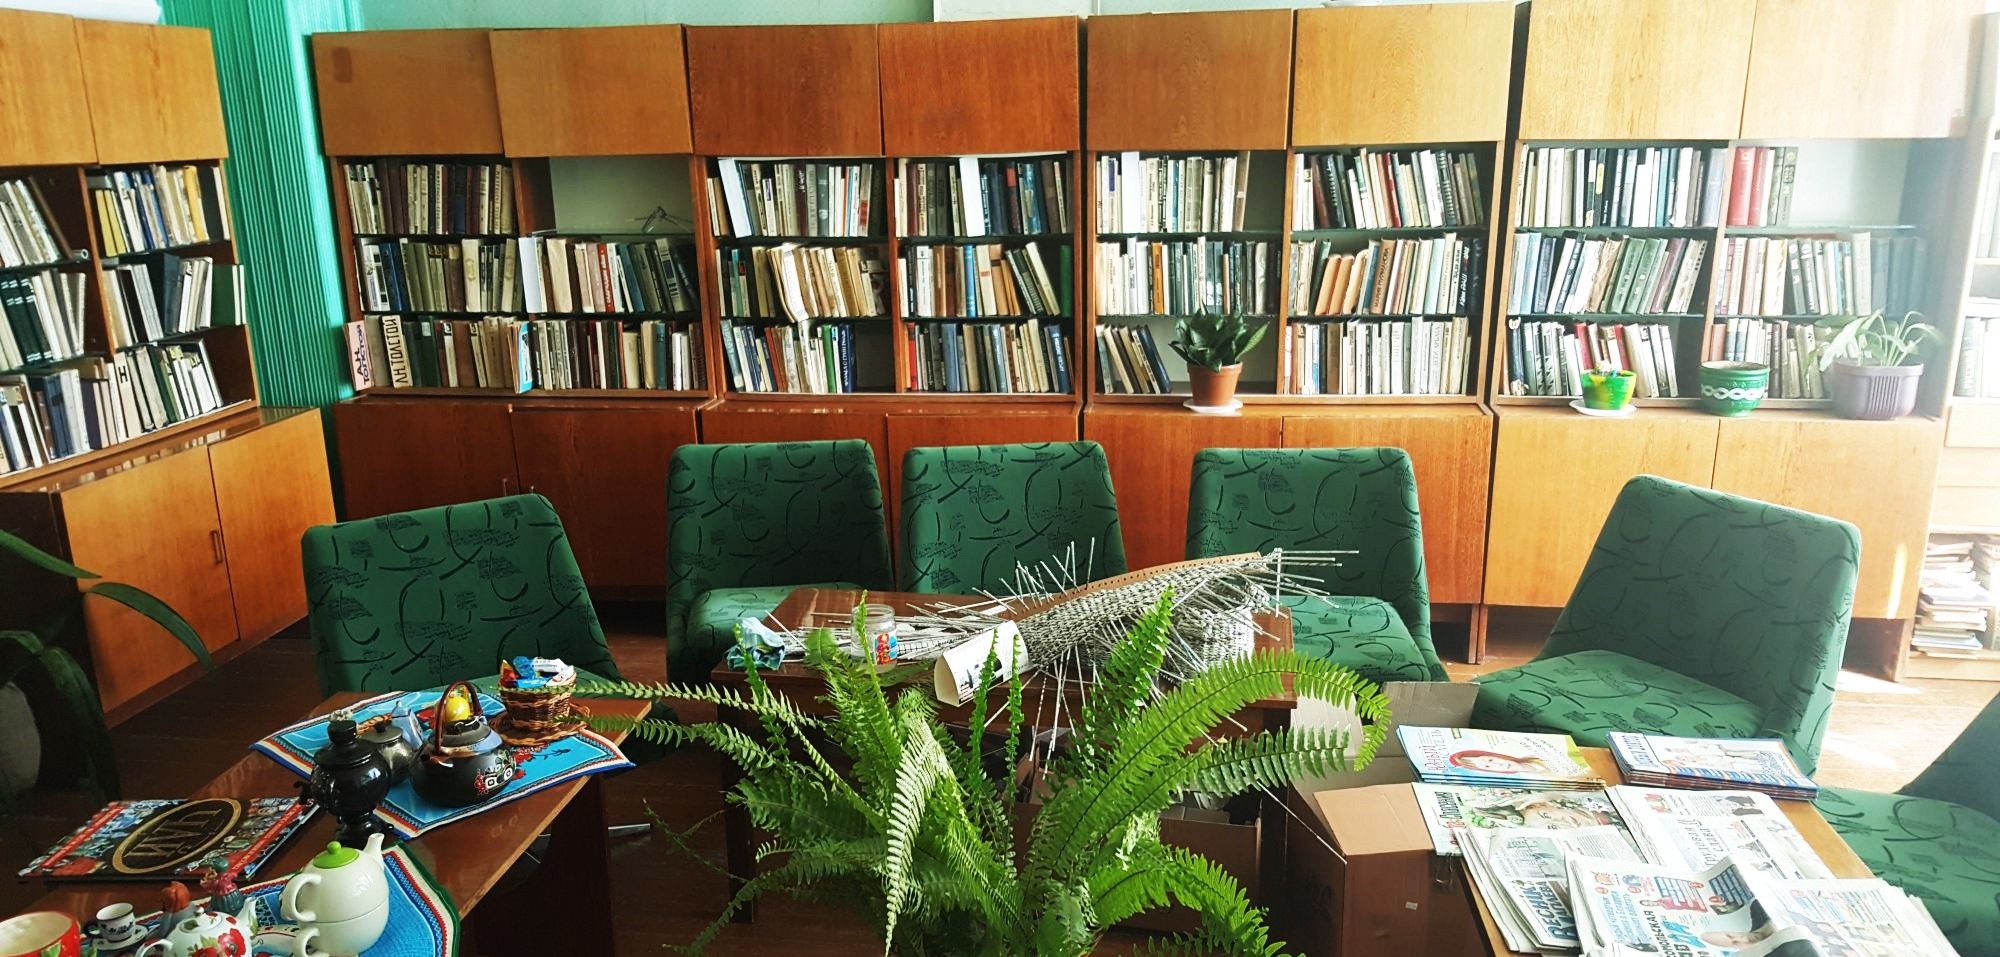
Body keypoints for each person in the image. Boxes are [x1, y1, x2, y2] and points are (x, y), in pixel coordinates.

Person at [1450, 749, 1554, 776]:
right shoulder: (1529, 777)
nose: (1497, 764)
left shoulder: (1536, 756)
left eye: (1491, 760)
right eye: (1487, 766)